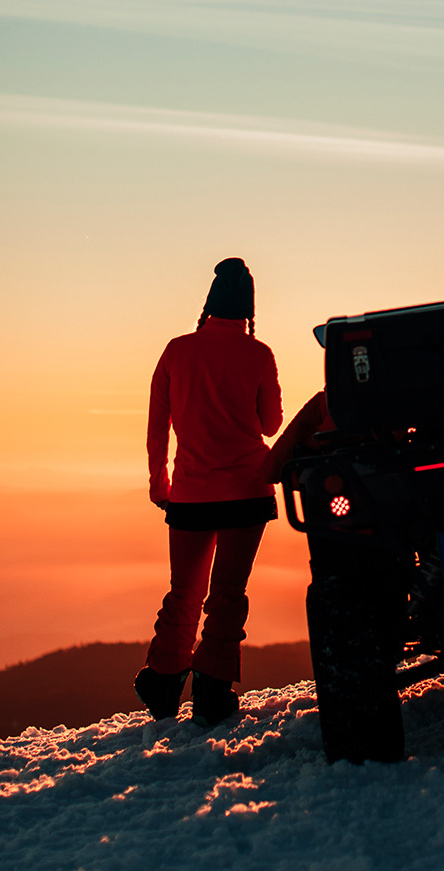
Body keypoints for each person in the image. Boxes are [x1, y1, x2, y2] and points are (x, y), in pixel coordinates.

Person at [134, 257, 284, 724]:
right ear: (249, 309)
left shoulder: (177, 352)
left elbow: (158, 427)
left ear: (208, 306)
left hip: (192, 494)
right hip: (246, 490)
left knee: (185, 591)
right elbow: (271, 424)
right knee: (227, 593)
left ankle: (163, 680)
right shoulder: (258, 354)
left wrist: (161, 482)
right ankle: (213, 691)